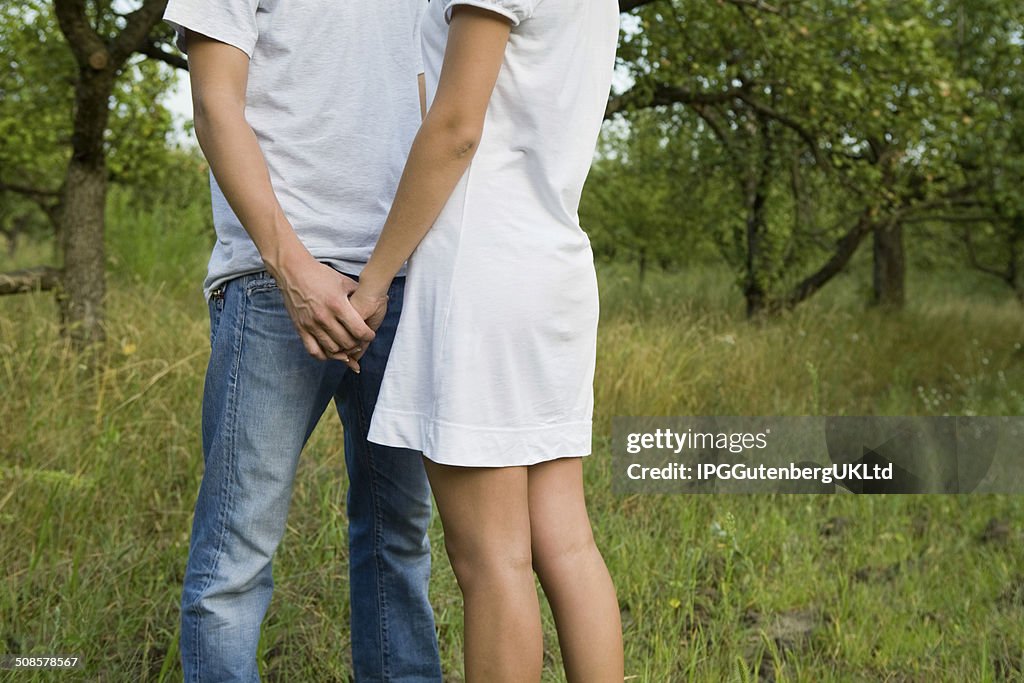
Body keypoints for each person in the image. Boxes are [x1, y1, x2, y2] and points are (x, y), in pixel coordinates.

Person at [161, 1, 442, 681]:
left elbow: (438, 98)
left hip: (402, 281)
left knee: (401, 542)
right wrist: (293, 270)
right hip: (271, 285)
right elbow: (214, 105)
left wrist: (396, 270)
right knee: (236, 553)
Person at [349, 1, 625, 681]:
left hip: (483, 273)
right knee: (566, 543)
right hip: (554, 263)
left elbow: (453, 130)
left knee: (490, 559)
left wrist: (374, 278)